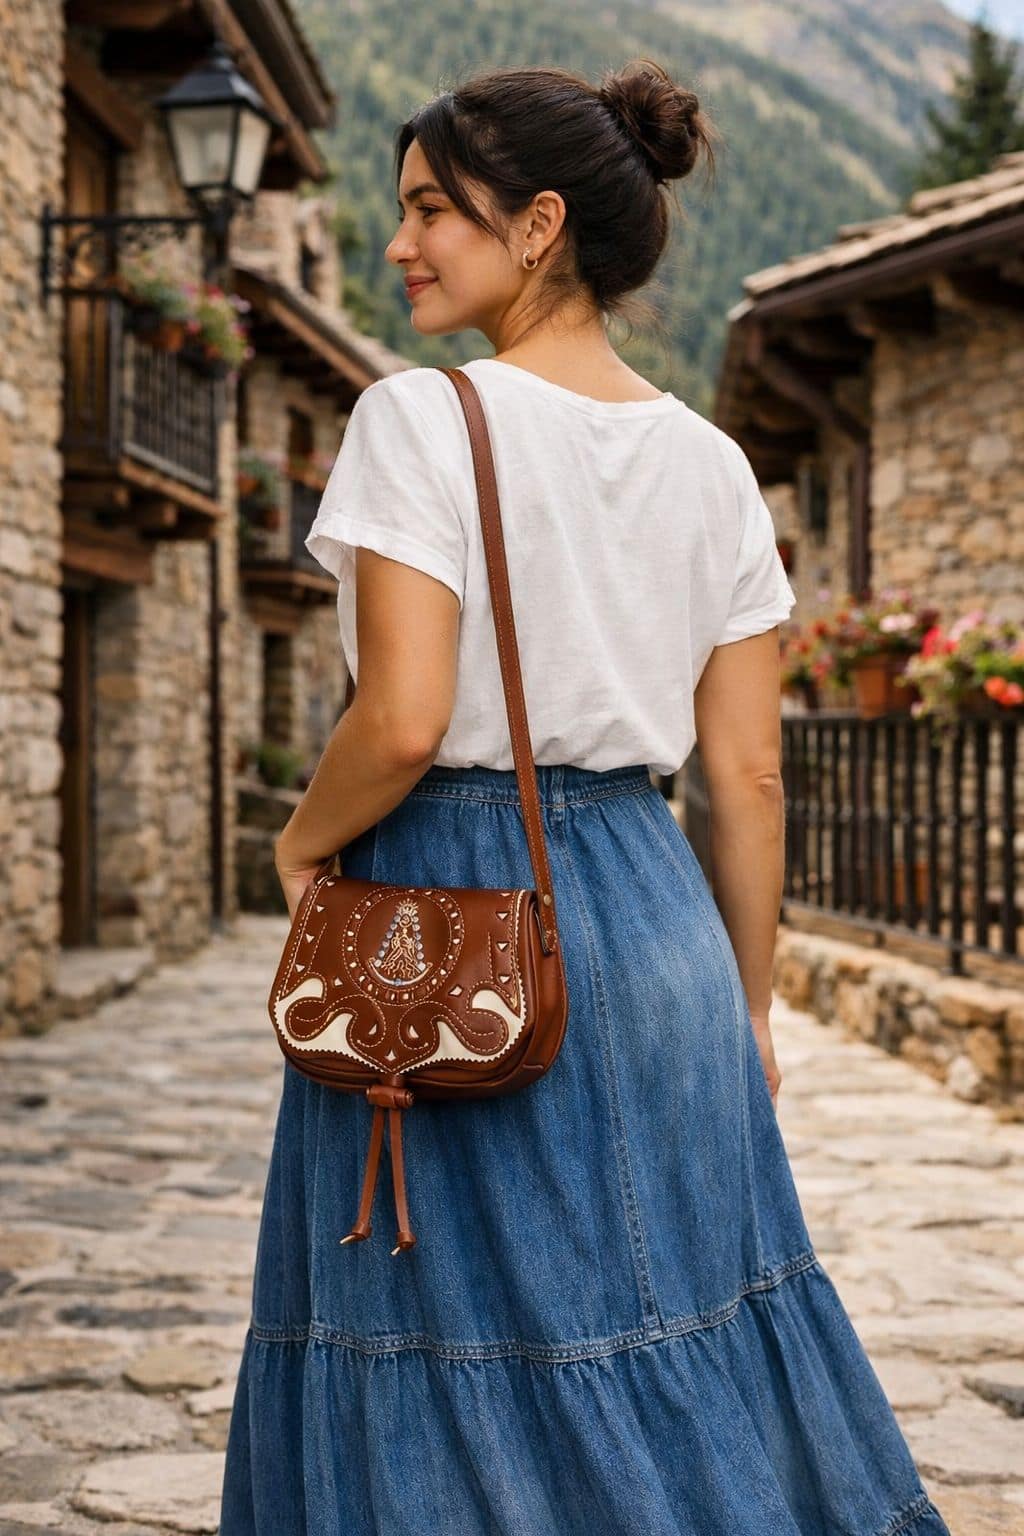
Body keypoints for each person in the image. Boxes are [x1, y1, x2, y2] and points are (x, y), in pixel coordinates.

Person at [220, 58, 951, 1536]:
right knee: (668, 1304)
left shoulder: (419, 420)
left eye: (432, 208)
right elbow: (746, 775)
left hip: (452, 910)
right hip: (657, 916)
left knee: (441, 1323)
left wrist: (300, 846)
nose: (399, 241)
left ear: (539, 222)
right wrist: (751, 1009)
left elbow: (404, 720)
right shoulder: (716, 466)